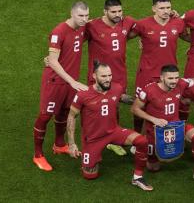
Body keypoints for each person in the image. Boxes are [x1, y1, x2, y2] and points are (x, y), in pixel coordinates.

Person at [66, 61, 153, 191]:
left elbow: (124, 98)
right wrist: (72, 143)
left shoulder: (116, 88)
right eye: (104, 76)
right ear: (94, 76)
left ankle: (138, 177)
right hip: (93, 138)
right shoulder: (83, 94)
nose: (108, 80)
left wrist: (146, 100)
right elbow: (71, 117)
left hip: (114, 131)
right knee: (90, 175)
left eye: (109, 75)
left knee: (142, 141)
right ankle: (93, 155)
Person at [131, 64, 194, 188]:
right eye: (170, 78)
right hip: (156, 130)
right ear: (161, 78)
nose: (174, 81)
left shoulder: (180, 83)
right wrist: (153, 119)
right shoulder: (149, 90)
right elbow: (134, 109)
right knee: (153, 167)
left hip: (176, 125)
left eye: (176, 77)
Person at [32, 1, 89, 171]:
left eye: (86, 15)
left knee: (65, 111)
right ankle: (38, 155)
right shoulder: (59, 31)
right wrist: (72, 81)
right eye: (80, 15)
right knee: (45, 116)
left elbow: (105, 19)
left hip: (71, 82)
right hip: (55, 82)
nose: (84, 19)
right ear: (71, 14)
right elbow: (53, 61)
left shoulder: (83, 27)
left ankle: (59, 144)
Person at [128, 0, 187, 132]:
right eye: (161, 8)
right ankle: (137, 135)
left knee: (168, 104)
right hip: (147, 73)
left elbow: (187, 36)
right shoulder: (143, 24)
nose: (166, 11)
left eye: (168, 7)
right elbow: (124, 36)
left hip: (170, 73)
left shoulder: (178, 22)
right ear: (154, 8)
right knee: (140, 104)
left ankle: (174, 133)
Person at [85, 0, 135, 156]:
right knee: (96, 109)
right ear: (105, 11)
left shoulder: (126, 22)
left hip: (119, 75)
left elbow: (145, 28)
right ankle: (93, 140)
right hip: (98, 77)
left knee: (114, 107)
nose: (117, 14)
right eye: (113, 12)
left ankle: (112, 140)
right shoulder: (92, 26)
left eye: (120, 11)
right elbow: (73, 39)